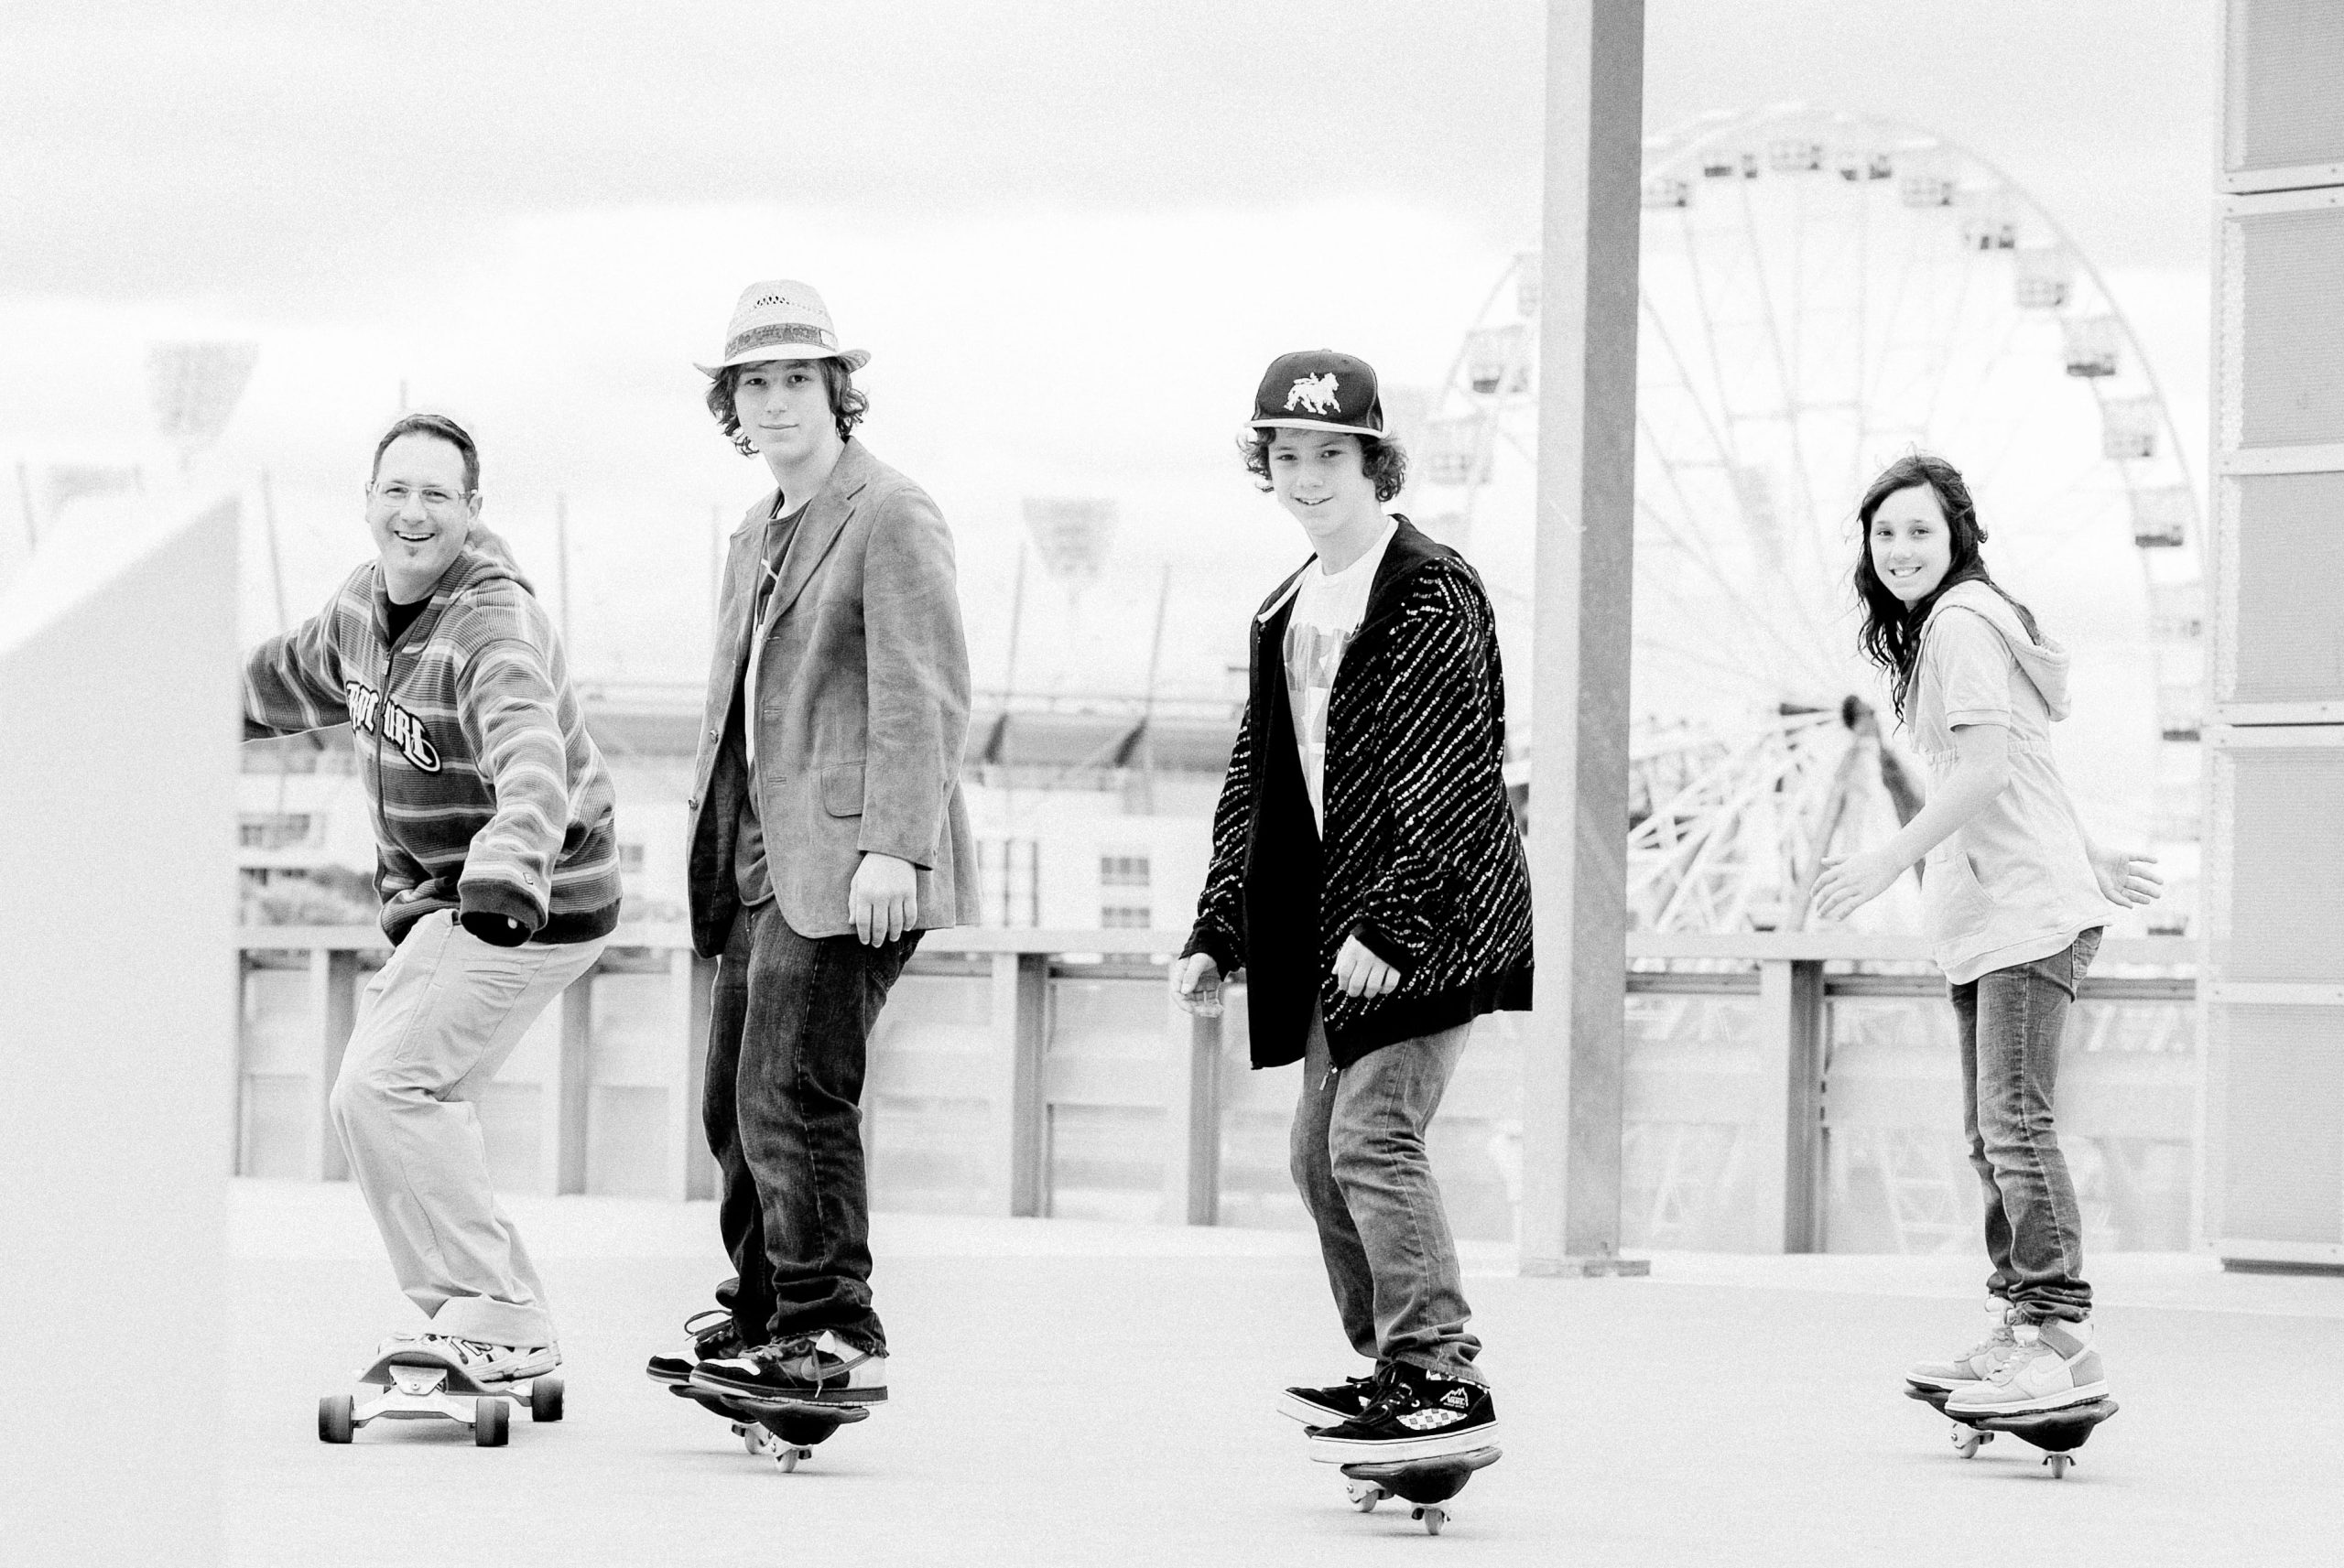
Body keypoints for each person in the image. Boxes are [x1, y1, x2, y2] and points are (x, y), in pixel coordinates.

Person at [1173, 350, 1531, 1465]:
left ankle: (1437, 1371)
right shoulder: (1285, 607)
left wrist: (1395, 924)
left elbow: (1452, 767)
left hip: (1429, 926)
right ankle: (1392, 1366)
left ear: (1375, 460)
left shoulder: (1428, 587)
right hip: (1334, 934)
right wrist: (1218, 927)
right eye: (1287, 454)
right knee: (1317, 1157)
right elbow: (1260, 778)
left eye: (1331, 453)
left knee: (1372, 1136)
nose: (1308, 474)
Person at [646, 280, 977, 1411]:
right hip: (756, 862)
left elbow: (921, 695)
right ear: (730, 403)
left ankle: (830, 1325)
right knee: (729, 1098)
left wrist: (895, 847)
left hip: (852, 866)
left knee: (793, 1085)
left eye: (797, 377)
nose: (776, 399)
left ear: (839, 391)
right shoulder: (757, 530)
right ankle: (761, 1309)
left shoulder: (890, 511)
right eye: (754, 381)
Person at [244, 412, 622, 1383]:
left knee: (384, 1085)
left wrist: (507, 866)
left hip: (521, 896)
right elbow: (281, 680)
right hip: (444, 900)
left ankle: (493, 1312)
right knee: (405, 1090)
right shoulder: (360, 610)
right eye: (397, 492)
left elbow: (533, 760)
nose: (414, 515)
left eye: (437, 496)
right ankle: (499, 1309)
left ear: (471, 510)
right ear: (369, 501)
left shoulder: (492, 628)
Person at [1811, 452, 2160, 1417]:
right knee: (1990, 1133)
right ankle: (2018, 1327)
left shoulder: (1961, 623)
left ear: (1956, 535)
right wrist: (2084, 850)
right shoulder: (1956, 628)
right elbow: (2022, 764)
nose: (1899, 550)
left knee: (2013, 1126)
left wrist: (1887, 862)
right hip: (2001, 908)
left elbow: (1984, 775)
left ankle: (2059, 1337)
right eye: (1884, 534)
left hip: (2017, 913)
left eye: (1919, 530)